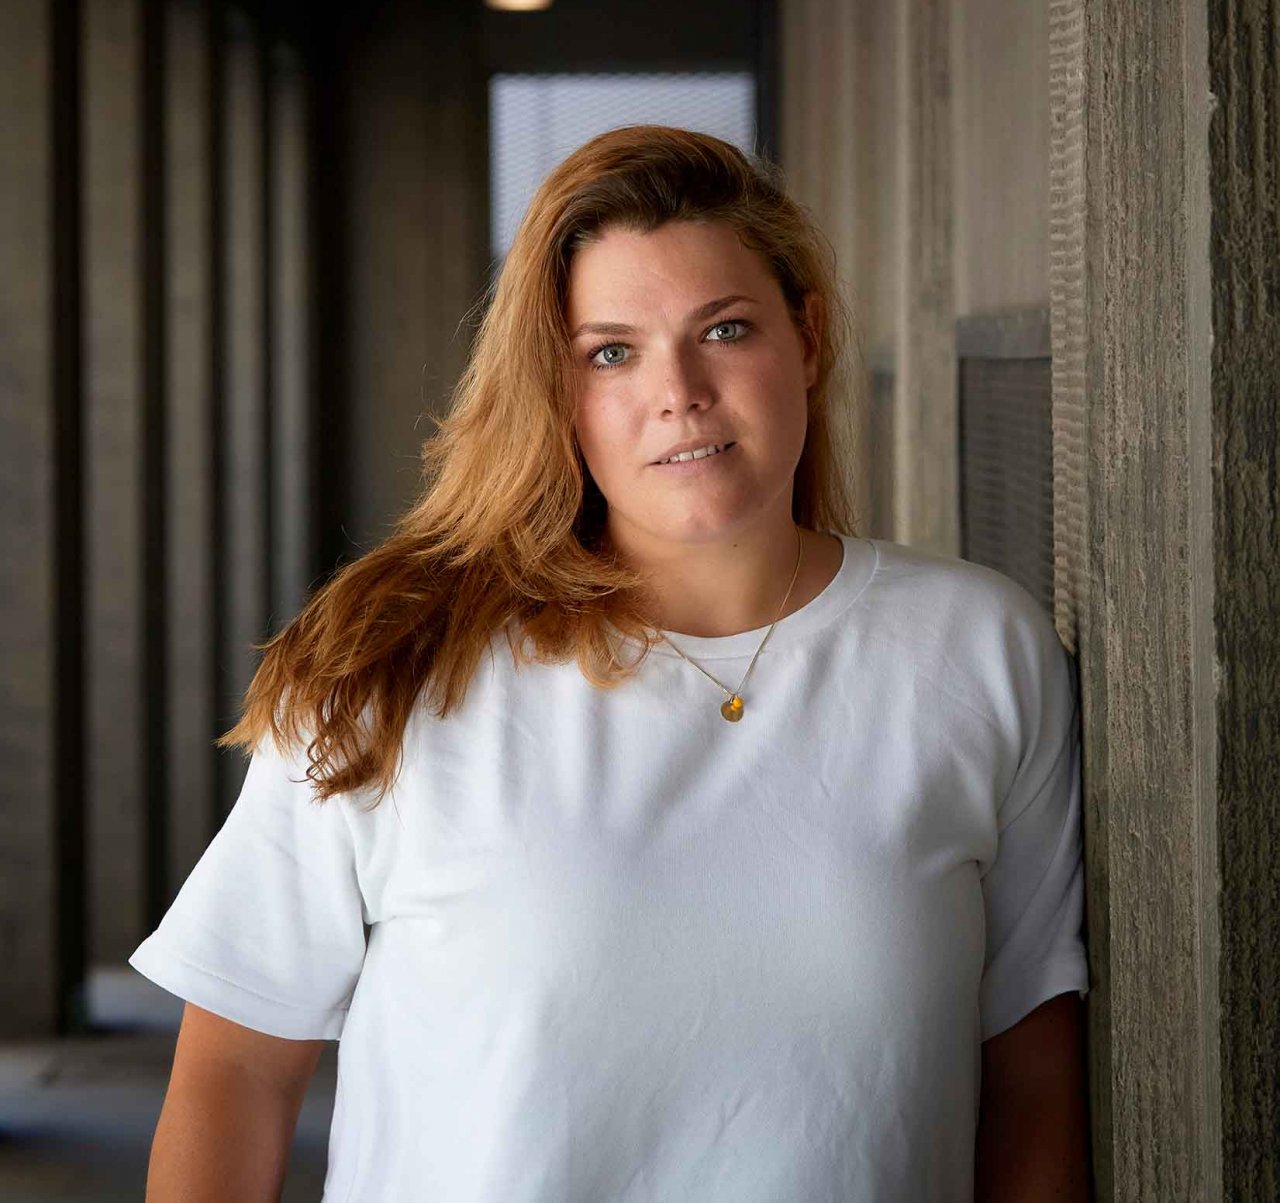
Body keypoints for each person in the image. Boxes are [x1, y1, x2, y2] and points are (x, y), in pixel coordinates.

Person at [131, 124, 1092, 1202]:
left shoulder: (978, 654)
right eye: (611, 352)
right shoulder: (397, 671)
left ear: (809, 337)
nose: (678, 390)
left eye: (724, 329)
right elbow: (236, 1072)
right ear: (555, 388)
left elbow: (1032, 1083)